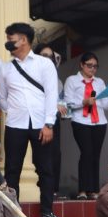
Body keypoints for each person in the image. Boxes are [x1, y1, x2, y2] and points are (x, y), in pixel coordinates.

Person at [0, 22, 61, 217]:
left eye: (11, 39)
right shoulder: (5, 69)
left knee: (45, 169)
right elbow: (1, 97)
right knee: (12, 170)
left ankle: (47, 212)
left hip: (42, 125)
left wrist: (49, 124)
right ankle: (14, 214)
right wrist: (14, 110)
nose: (8, 43)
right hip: (15, 125)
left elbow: (51, 94)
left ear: (23, 40)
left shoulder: (44, 64)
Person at [63, 52, 108, 199]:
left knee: (95, 155)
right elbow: (67, 103)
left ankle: (94, 190)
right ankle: (82, 190)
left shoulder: (99, 82)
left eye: (95, 66)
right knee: (86, 152)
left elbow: (105, 105)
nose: (92, 69)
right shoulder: (72, 80)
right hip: (80, 121)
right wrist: (84, 102)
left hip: (99, 122)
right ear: (81, 65)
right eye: (89, 66)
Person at [34, 43, 66, 198]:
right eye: (43, 55)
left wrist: (62, 107)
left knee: (55, 155)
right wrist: (54, 105)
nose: (47, 59)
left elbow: (62, 101)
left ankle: (53, 190)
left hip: (53, 121)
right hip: (35, 120)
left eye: (50, 57)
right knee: (39, 156)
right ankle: (38, 189)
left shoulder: (57, 80)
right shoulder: (31, 75)